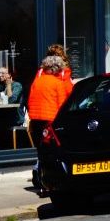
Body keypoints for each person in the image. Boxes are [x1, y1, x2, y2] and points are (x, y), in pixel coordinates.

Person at [27, 54, 75, 192]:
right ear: (57, 69)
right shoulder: (57, 83)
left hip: (36, 120)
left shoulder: (38, 81)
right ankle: (52, 183)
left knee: (41, 153)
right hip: (50, 122)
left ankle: (42, 183)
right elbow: (62, 105)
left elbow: (30, 100)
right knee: (52, 153)